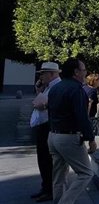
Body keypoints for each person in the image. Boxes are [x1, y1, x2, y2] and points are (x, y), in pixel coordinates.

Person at [47, 58, 97, 204]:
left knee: (59, 175)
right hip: (68, 137)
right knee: (86, 173)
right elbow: (82, 117)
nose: (85, 73)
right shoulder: (76, 90)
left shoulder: (55, 88)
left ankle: (58, 200)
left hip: (53, 136)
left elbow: (51, 112)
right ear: (76, 72)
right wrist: (91, 139)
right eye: (84, 70)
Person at [29, 62, 62, 203]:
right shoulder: (48, 86)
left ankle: (50, 190)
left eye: (43, 73)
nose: (41, 76)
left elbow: (48, 105)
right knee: (42, 159)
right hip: (43, 126)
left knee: (47, 160)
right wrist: (39, 91)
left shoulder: (57, 87)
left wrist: (42, 103)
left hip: (49, 126)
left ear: (52, 74)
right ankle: (45, 187)